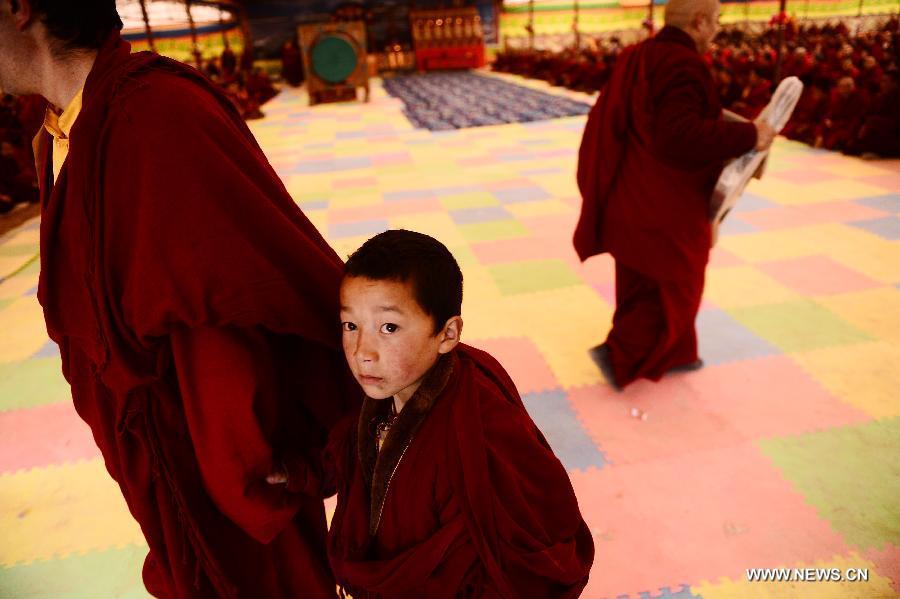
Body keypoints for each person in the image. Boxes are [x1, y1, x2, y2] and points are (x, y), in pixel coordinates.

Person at [0, 1, 358, 597]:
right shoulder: (62, 127)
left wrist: (247, 486)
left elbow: (224, 318)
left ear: (18, 9)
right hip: (159, 483)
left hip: (224, 493)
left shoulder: (157, 117)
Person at [300, 229, 594, 596]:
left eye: (388, 327)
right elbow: (347, 460)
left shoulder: (480, 428)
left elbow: (531, 548)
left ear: (447, 334)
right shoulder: (382, 393)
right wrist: (291, 474)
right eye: (351, 325)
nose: (363, 351)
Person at [573, 0, 776, 389]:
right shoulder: (683, 64)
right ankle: (623, 359)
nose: (718, 31)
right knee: (675, 283)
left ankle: (675, 354)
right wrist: (751, 134)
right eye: (716, 21)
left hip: (630, 194)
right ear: (699, 23)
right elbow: (677, 137)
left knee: (642, 284)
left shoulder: (640, 55)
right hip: (661, 206)